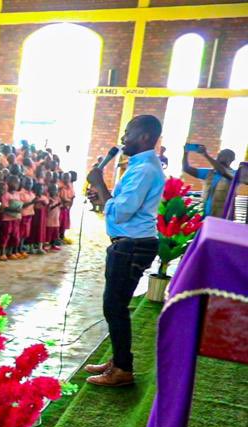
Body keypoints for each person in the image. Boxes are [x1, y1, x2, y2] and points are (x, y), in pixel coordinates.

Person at [85, 114, 164, 387]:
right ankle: (118, 361)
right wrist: (103, 197)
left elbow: (123, 212)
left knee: (114, 306)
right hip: (129, 243)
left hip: (131, 245)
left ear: (143, 137)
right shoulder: (141, 165)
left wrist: (99, 184)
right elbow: (120, 204)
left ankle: (122, 370)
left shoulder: (144, 169)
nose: (123, 138)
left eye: (128, 132)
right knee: (115, 305)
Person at [181, 144, 235, 217]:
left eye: (222, 155)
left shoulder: (235, 174)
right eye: (219, 154)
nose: (218, 156)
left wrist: (205, 155)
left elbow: (222, 172)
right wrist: (186, 152)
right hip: (204, 216)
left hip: (222, 217)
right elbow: (186, 169)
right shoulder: (209, 173)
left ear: (230, 159)